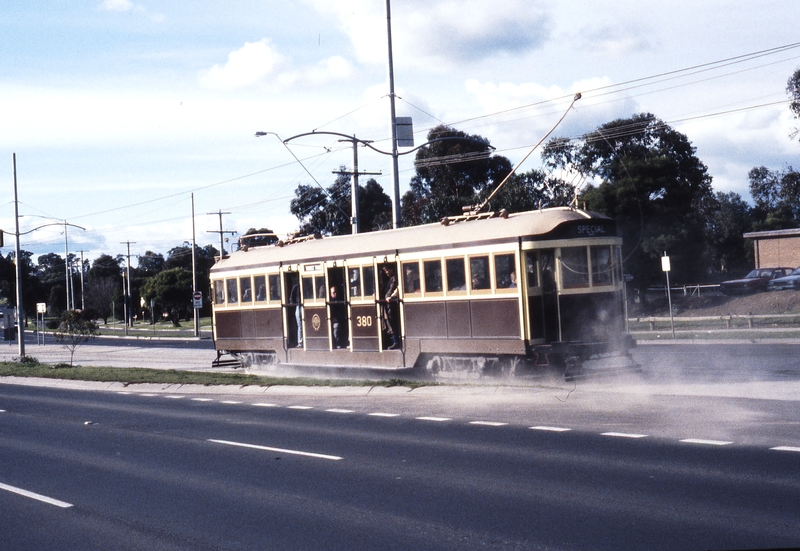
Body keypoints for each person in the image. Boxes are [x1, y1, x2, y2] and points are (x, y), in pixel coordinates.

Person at [381, 265, 400, 350]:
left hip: (391, 304)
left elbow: (392, 289)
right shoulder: (389, 279)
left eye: (387, 270)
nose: (387, 272)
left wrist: (390, 297)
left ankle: (396, 341)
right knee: (388, 322)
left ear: (392, 269)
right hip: (388, 304)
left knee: (392, 322)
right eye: (385, 271)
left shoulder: (394, 278)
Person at [289, 280, 302, 347]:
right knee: (299, 324)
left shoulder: (306, 285)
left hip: (302, 305)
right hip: (298, 306)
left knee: (301, 325)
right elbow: (292, 299)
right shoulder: (295, 287)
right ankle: (300, 342)